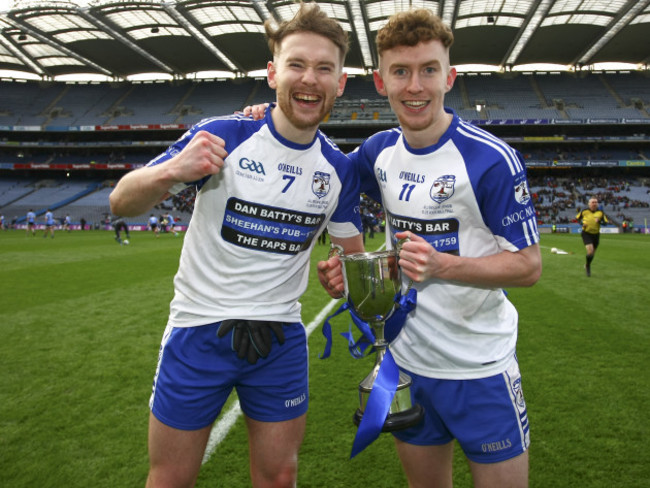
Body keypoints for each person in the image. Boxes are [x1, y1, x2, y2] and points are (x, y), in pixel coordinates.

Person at [109, 3, 363, 487]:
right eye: (296, 64)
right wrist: (172, 170)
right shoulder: (223, 134)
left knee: (280, 476)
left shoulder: (340, 171)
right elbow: (121, 202)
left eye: (324, 68)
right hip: (197, 330)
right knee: (171, 477)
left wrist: (340, 275)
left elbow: (350, 264)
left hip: (281, 339)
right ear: (273, 73)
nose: (309, 79)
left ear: (340, 82)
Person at [316, 9, 541, 487]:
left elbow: (528, 266)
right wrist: (344, 263)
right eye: (401, 72)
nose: (414, 86)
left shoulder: (490, 159)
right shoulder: (379, 152)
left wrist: (442, 264)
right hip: (408, 363)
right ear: (381, 81)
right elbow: (327, 174)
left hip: (479, 366)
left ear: (449, 77)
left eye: (428, 70)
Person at [576, 196, 609, 277]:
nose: (594, 204)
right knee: (590, 251)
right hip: (586, 233)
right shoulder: (584, 211)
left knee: (592, 254)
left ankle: (587, 264)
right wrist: (581, 224)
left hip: (596, 235)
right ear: (589, 204)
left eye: (595, 202)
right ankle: (588, 268)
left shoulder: (601, 212)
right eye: (592, 202)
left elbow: (605, 223)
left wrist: (600, 221)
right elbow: (577, 219)